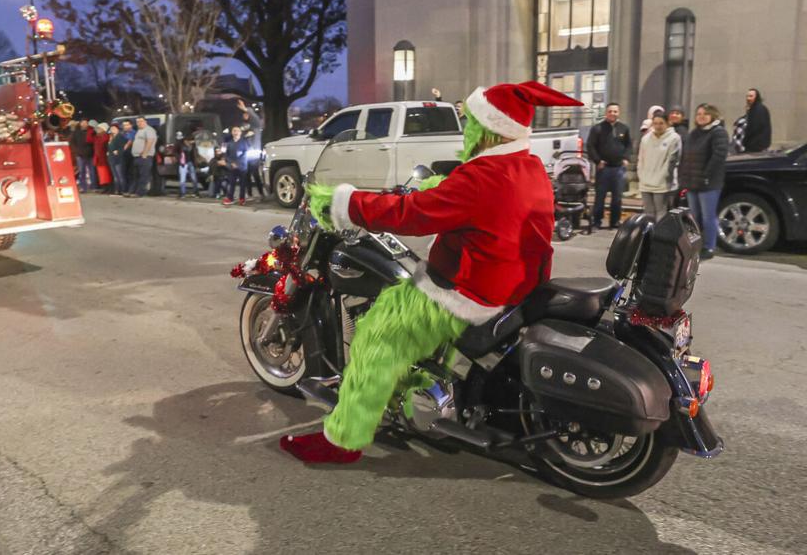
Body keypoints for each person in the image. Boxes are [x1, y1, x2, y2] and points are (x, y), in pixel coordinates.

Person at [280, 81, 583, 464]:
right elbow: (476, 204)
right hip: (516, 286)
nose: (465, 128)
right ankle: (404, 391)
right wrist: (437, 186)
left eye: (470, 121)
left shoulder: (482, 177)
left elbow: (411, 215)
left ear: (489, 128)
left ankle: (342, 440)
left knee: (377, 338)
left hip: (469, 292)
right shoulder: (528, 166)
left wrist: (347, 203)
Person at [680, 104, 729, 259]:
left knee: (708, 216)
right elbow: (686, 157)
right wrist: (683, 176)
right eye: (699, 113)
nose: (701, 116)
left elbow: (719, 155)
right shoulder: (694, 133)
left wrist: (706, 174)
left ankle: (709, 247)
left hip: (709, 183)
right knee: (693, 217)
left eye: (705, 114)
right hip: (692, 181)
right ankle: (694, 245)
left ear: (712, 116)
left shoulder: (718, 132)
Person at [586, 102, 632, 230]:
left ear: (619, 113)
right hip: (603, 169)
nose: (612, 113)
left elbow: (629, 145)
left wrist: (626, 158)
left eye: (615, 111)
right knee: (600, 197)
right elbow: (590, 146)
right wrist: (597, 161)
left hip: (618, 169)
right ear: (606, 113)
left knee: (617, 198)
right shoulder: (597, 128)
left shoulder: (624, 128)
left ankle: (614, 222)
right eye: (610, 111)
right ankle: (597, 222)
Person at [637, 110, 681, 219]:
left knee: (661, 212)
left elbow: (671, 161)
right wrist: (641, 175)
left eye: (661, 123)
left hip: (662, 184)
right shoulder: (646, 139)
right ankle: (649, 230)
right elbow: (641, 159)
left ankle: (660, 230)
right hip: (645, 182)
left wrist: (662, 178)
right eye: (655, 123)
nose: (658, 126)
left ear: (667, 123)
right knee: (648, 213)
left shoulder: (674, 138)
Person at [733, 88, 772, 154]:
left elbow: (754, 127)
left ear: (756, 97)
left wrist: (745, 140)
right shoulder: (756, 108)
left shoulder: (758, 109)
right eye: (747, 96)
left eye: (751, 96)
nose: (748, 98)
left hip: (755, 147)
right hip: (756, 145)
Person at [128, 116, 158, 197]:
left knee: (143, 175)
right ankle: (133, 191)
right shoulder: (139, 131)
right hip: (137, 156)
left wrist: (145, 153)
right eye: (137, 122)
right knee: (136, 175)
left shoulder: (149, 130)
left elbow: (150, 141)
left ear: (145, 121)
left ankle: (140, 193)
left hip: (145, 157)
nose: (139, 123)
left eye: (141, 121)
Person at [220, 126, 250, 206]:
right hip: (232, 167)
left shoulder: (244, 142)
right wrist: (231, 163)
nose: (235, 132)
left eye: (237, 131)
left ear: (240, 132)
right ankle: (230, 198)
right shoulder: (229, 143)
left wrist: (237, 163)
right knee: (231, 183)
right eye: (234, 131)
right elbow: (226, 155)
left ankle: (242, 199)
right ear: (232, 132)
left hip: (242, 167)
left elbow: (245, 154)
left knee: (242, 184)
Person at [69, 119, 95, 192]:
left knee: (92, 172)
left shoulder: (91, 131)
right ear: (80, 124)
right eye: (83, 123)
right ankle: (83, 187)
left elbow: (94, 142)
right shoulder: (76, 132)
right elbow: (72, 142)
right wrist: (77, 151)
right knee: (82, 171)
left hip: (90, 154)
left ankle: (93, 187)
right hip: (80, 155)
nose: (84, 124)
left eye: (86, 123)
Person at [175, 131, 200, 198]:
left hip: (191, 162)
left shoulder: (193, 145)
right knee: (182, 179)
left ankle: (196, 192)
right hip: (183, 163)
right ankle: (182, 193)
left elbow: (195, 153)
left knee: (194, 178)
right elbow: (175, 151)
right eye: (189, 141)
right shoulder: (180, 144)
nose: (190, 142)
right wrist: (179, 158)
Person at [107, 123, 128, 195]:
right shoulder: (111, 137)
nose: (112, 130)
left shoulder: (121, 137)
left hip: (119, 159)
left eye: (114, 128)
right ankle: (117, 190)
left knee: (120, 175)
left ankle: (123, 190)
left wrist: (118, 151)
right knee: (115, 176)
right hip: (112, 158)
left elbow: (123, 147)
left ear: (118, 129)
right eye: (111, 129)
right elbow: (110, 148)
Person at [92, 123, 112, 192]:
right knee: (101, 174)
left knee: (105, 174)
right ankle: (104, 187)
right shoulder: (97, 137)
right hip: (98, 158)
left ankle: (108, 187)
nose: (97, 130)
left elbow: (105, 147)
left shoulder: (106, 136)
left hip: (103, 158)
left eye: (99, 128)